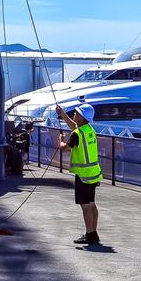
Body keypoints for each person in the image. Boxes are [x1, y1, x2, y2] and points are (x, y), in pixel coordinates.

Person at [56, 103, 103, 245]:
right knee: (91, 204)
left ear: (82, 118)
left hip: (83, 175)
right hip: (93, 173)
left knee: (86, 206)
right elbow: (75, 128)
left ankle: (89, 234)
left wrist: (61, 141)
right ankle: (93, 233)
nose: (74, 115)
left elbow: (65, 148)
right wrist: (63, 114)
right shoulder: (89, 130)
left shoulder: (77, 134)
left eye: (76, 113)